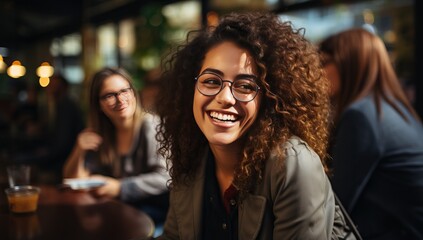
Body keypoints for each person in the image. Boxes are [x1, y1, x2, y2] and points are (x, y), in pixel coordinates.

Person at [155, 11, 351, 239]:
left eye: (246, 86)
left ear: (268, 99)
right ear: (191, 90)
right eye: (211, 81)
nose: (225, 97)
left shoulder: (292, 165)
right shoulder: (189, 154)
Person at [319, 28, 423, 239]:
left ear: (350, 65)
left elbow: (334, 205)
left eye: (325, 62)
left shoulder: (361, 116)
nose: (318, 72)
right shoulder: (392, 108)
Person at [63, 67, 170, 229]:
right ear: (98, 104)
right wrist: (79, 150)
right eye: (110, 95)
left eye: (124, 91)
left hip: (157, 218)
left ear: (134, 93)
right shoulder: (102, 134)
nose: (120, 99)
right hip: (121, 214)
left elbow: (166, 177)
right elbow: (75, 181)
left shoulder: (152, 126)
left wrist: (119, 187)